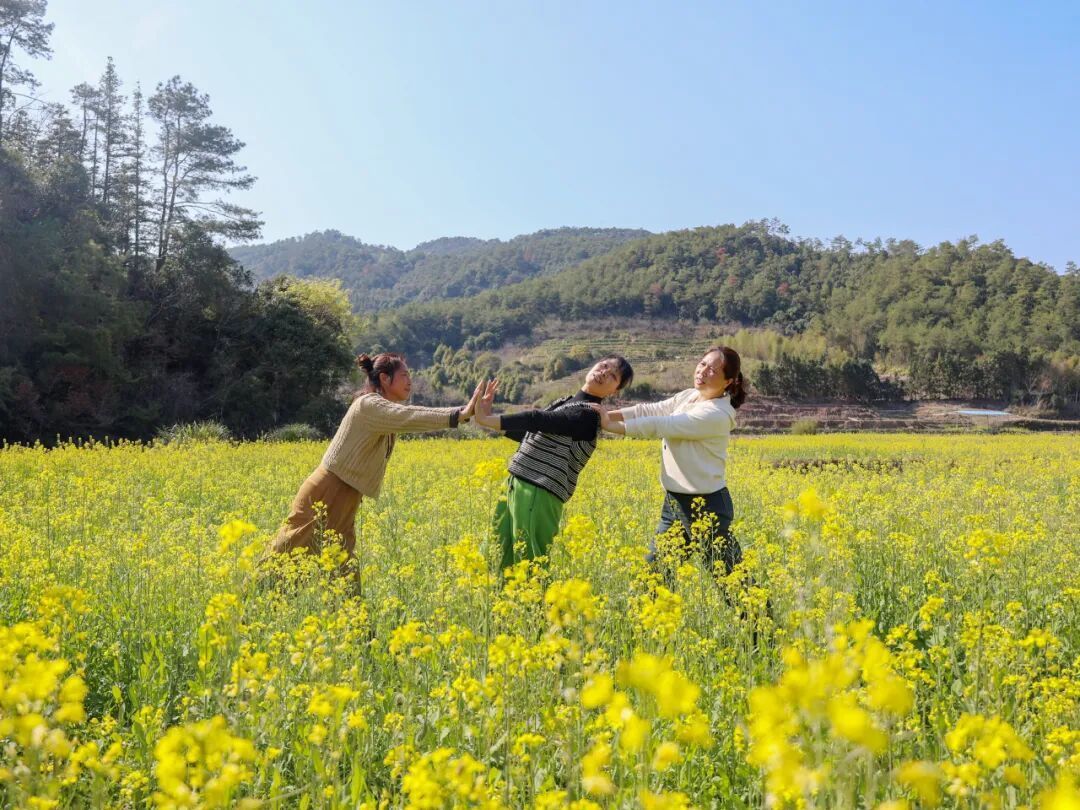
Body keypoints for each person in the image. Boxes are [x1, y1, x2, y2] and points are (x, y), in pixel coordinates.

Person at [268, 352, 484, 557]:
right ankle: (254, 591)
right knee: (288, 554)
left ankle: (343, 598)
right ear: (384, 378)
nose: (410, 381)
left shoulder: (380, 408)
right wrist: (459, 414)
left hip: (346, 493)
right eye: (404, 375)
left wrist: (462, 414)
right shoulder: (369, 405)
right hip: (328, 492)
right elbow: (409, 416)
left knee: (341, 564)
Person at [473, 356, 634, 572]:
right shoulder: (567, 401)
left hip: (539, 490)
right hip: (517, 482)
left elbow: (536, 419)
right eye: (604, 365)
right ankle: (495, 603)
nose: (604, 372)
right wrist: (489, 418)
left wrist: (487, 419)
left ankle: (534, 606)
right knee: (495, 555)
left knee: (529, 564)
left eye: (613, 375)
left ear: (614, 391)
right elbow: (531, 432)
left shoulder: (588, 415)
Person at [597, 346, 747, 579]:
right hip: (675, 503)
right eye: (703, 364)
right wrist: (605, 414)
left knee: (732, 582)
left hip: (706, 508)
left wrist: (607, 425)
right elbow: (650, 409)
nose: (703, 371)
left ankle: (758, 615)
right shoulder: (690, 395)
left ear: (728, 381)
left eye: (713, 369)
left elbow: (662, 424)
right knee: (654, 577)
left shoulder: (716, 414)